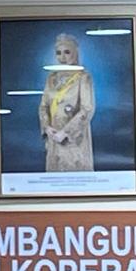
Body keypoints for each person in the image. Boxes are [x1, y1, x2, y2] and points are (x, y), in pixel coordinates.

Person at [39, 31, 96, 173]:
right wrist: (47, 127)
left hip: (74, 141)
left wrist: (66, 132)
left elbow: (87, 109)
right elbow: (43, 106)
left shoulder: (83, 77)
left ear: (75, 52)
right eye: (58, 53)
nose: (62, 57)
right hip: (53, 139)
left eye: (67, 52)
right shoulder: (51, 78)